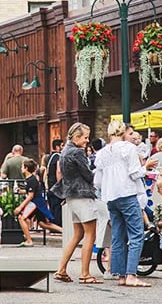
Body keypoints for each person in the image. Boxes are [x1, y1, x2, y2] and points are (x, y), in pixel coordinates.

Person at [94, 119, 151, 287]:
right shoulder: (128, 149)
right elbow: (134, 173)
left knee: (117, 237)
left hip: (110, 197)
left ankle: (119, 275)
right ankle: (131, 274)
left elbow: (97, 181)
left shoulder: (102, 153)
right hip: (126, 193)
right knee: (136, 234)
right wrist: (145, 169)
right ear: (123, 131)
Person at [52, 122, 101, 285]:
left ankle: (61, 269)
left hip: (71, 196)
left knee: (77, 235)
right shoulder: (78, 152)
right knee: (90, 234)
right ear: (76, 137)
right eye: (85, 137)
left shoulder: (64, 151)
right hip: (82, 195)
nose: (87, 141)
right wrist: (97, 171)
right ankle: (85, 274)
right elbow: (87, 174)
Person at [14, 158, 62, 247]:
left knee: (21, 217)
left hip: (35, 202)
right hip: (39, 202)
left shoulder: (31, 180)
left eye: (22, 167)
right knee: (42, 223)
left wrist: (20, 207)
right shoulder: (31, 179)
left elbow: (31, 196)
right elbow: (32, 191)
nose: (21, 168)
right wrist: (22, 191)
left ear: (26, 168)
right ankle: (63, 231)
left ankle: (28, 240)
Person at [44, 139, 64, 227]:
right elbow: (59, 171)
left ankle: (53, 227)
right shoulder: (58, 157)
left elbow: (46, 171)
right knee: (57, 208)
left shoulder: (49, 157)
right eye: (62, 145)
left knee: (52, 208)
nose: (64, 148)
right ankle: (58, 226)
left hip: (50, 186)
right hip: (56, 187)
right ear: (57, 147)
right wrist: (60, 185)